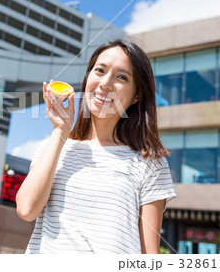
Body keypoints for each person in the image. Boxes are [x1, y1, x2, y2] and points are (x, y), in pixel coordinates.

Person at [16, 38, 176, 254]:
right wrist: (61, 130)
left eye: (122, 77)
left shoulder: (149, 162)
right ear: (88, 77)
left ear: (136, 95)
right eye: (100, 71)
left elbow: (149, 256)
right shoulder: (53, 147)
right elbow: (26, 209)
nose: (106, 83)